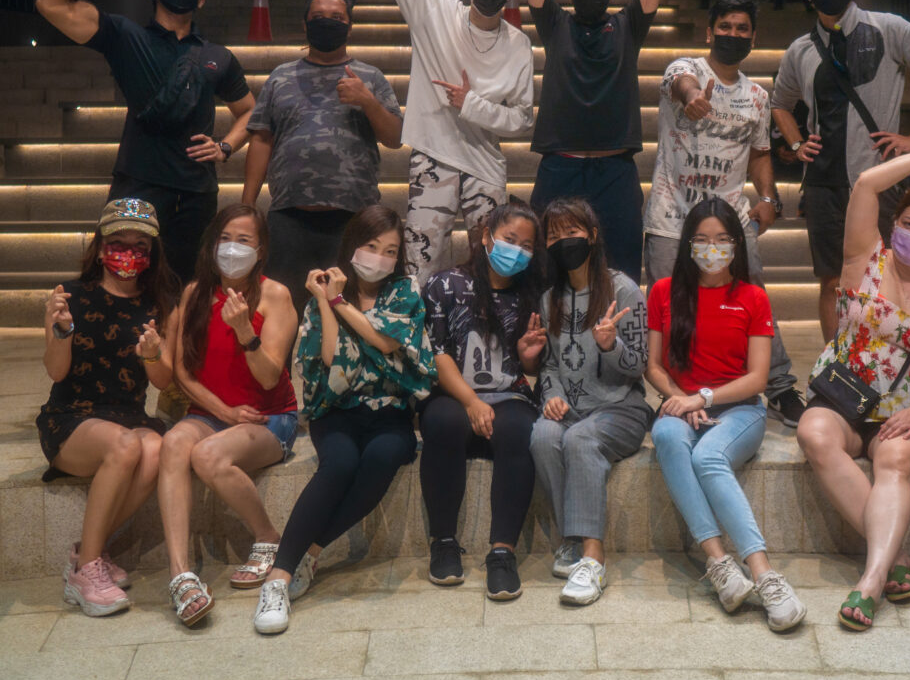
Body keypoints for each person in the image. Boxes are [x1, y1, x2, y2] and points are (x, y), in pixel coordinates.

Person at [795, 146, 910, 631]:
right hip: (845, 393)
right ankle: (895, 556)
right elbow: (866, 184)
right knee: (814, 433)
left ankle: (873, 580)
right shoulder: (866, 258)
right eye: (909, 224)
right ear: (894, 222)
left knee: (895, 460)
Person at [490, 0, 695, 282]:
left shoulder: (629, 25)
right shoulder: (555, 24)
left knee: (622, 271)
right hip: (559, 167)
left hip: (615, 170)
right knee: (545, 270)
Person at [771, 0, 910, 342]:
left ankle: (890, 362)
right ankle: (836, 366)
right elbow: (779, 103)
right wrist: (795, 144)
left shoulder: (889, 28)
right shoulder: (800, 49)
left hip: (881, 179)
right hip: (824, 183)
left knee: (893, 275)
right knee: (832, 280)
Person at [253, 205, 436, 634]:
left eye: (390, 250)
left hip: (390, 412)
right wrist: (325, 301)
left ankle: (310, 553)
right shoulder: (322, 294)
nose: (380, 258)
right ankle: (278, 578)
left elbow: (387, 342)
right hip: (336, 410)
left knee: (383, 456)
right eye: (372, 246)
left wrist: (337, 302)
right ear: (352, 244)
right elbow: (331, 359)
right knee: (339, 464)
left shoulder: (404, 290)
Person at [36, 0, 255, 283]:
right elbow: (51, 4)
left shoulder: (218, 56)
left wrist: (225, 147)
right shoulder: (125, 35)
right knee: (120, 278)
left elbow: (250, 111)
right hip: (138, 183)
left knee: (188, 286)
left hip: (196, 192)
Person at [643, 0, 806, 425]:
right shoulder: (684, 70)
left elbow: (760, 152)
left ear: (753, 37)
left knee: (754, 299)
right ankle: (676, 395)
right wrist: (693, 96)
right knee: (670, 307)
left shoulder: (757, 96)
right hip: (671, 216)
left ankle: (780, 387)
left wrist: (768, 197)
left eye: (742, 28)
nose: (733, 34)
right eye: (725, 27)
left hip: (732, 219)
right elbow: (680, 82)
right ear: (709, 32)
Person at [646, 198, 806, 630]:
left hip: (739, 410)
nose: (712, 249)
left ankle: (764, 574)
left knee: (708, 456)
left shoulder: (753, 297)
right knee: (666, 436)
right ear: (687, 244)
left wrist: (701, 399)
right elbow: (654, 366)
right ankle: (719, 564)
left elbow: (757, 379)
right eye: (701, 240)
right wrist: (680, 400)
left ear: (737, 243)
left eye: (721, 239)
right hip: (682, 403)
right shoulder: (663, 292)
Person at [379, 0, 535, 286]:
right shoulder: (434, 10)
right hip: (433, 155)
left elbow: (522, 119)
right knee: (420, 267)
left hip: (485, 164)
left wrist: (472, 105)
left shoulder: (519, 44)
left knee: (492, 270)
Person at [157, 205, 299, 626]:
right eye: (225, 239)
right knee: (173, 443)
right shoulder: (194, 293)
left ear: (261, 249)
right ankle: (181, 576)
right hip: (212, 412)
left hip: (268, 417)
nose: (232, 249)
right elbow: (182, 370)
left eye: (243, 240)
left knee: (208, 456)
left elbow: (270, 378)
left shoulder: (276, 295)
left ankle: (268, 537)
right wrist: (222, 411)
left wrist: (244, 331)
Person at [37, 198, 177, 616]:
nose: (128, 253)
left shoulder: (159, 304)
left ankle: (87, 553)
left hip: (129, 416)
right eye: (119, 243)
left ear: (151, 254)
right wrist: (62, 332)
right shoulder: (69, 296)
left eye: (140, 246)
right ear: (100, 248)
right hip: (72, 418)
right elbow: (56, 372)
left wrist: (153, 354)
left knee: (156, 449)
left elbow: (163, 381)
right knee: (126, 444)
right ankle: (86, 573)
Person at [242, 0, 403, 320]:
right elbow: (261, 139)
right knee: (284, 309)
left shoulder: (370, 77)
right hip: (289, 216)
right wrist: (247, 206)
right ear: (305, 25)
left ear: (349, 26)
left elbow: (395, 139)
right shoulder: (281, 76)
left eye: (336, 18)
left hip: (354, 220)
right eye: (318, 17)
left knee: (349, 311)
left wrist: (368, 101)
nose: (327, 23)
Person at [419, 202, 546, 600]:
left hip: (509, 395)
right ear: (488, 236)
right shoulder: (444, 284)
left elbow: (529, 367)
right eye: (510, 239)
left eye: (527, 245)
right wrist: (471, 401)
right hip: (453, 392)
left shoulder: (533, 294)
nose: (517, 251)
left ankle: (503, 552)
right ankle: (443, 542)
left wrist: (528, 356)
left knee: (520, 430)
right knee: (442, 422)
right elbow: (437, 352)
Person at [532, 197, 653, 606]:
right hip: (572, 409)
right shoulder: (549, 299)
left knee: (580, 439)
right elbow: (549, 365)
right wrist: (552, 396)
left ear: (593, 235)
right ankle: (570, 538)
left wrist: (610, 346)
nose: (563, 241)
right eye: (554, 235)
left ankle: (593, 557)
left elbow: (639, 365)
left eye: (572, 232)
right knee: (543, 435)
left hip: (621, 409)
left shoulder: (623, 289)